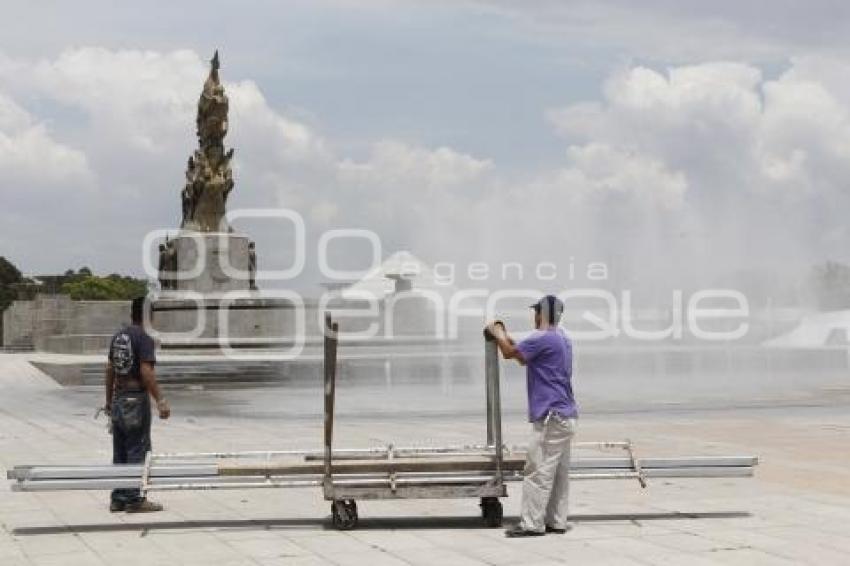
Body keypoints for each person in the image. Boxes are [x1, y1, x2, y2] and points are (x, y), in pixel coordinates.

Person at [486, 295, 577, 537]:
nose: (534, 316)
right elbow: (521, 355)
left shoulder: (543, 338)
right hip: (566, 414)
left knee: (537, 471)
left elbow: (508, 353)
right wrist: (506, 339)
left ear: (542, 314)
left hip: (550, 416)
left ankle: (531, 524)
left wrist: (496, 332)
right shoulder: (563, 338)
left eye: (536, 312)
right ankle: (557, 521)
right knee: (558, 473)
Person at [104, 295, 170, 512]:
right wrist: (160, 400)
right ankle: (135, 499)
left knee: (120, 450)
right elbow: (146, 371)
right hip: (135, 399)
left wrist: (108, 401)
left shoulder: (118, 336)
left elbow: (110, 369)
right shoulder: (144, 337)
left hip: (119, 398)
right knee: (138, 448)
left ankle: (118, 498)